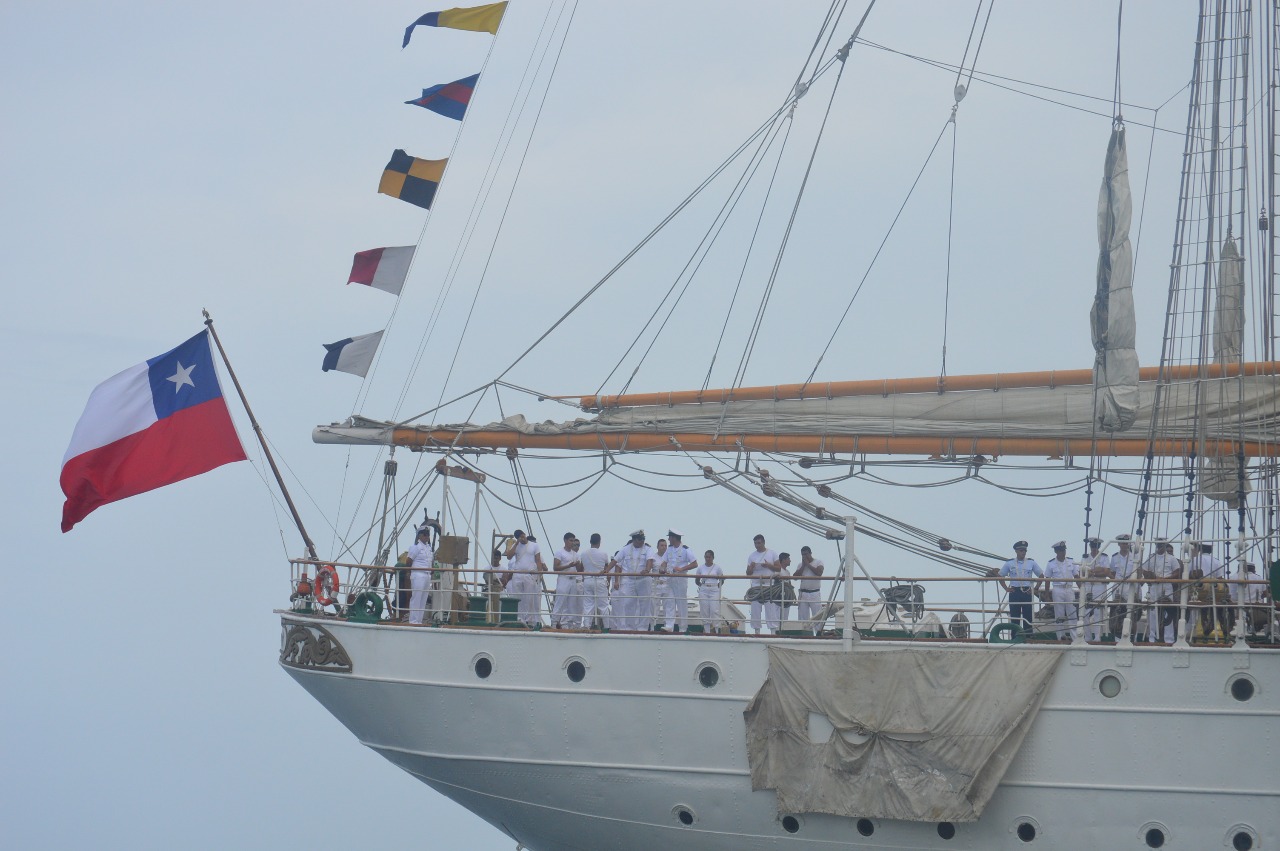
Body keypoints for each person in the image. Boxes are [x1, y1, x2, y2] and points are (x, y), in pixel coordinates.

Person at [1139, 539, 1182, 643]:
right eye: (1158, 545)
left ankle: (1169, 639)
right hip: (1154, 586)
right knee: (1153, 613)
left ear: (1165, 545)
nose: (1159, 547)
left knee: (1168, 613)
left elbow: (1178, 572)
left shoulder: (1171, 558)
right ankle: (1152, 638)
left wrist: (1166, 579)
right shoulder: (1151, 557)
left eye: (1162, 545)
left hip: (1167, 586)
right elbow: (1143, 569)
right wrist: (1148, 574)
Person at [998, 540, 1042, 638]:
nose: (1023, 552)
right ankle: (1015, 637)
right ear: (1016, 551)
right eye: (1021, 550)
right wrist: (1006, 588)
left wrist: (1035, 588)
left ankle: (1028, 636)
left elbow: (1041, 575)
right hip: (1015, 592)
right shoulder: (1009, 563)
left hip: (1027, 592)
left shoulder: (1031, 562)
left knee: (1028, 616)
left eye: (1025, 551)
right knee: (1015, 616)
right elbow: (1000, 576)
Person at [613, 530, 655, 630]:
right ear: (634, 540)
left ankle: (643, 628)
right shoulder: (625, 549)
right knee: (628, 603)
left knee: (645, 604)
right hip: (630, 580)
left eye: (643, 539)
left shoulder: (648, 549)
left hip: (643, 579)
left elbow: (650, 560)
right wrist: (605, 570)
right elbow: (615, 561)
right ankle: (629, 627)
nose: (642, 541)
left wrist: (647, 570)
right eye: (640, 539)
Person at [504, 529, 546, 628]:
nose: (522, 539)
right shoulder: (517, 546)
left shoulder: (534, 545)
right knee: (518, 598)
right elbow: (509, 556)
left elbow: (538, 560)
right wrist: (517, 543)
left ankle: (529, 621)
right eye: (520, 538)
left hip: (529, 574)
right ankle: (520, 619)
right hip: (517, 574)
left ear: (525, 535)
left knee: (529, 598)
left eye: (523, 536)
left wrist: (538, 575)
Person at [1044, 541, 1080, 641]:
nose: (1063, 552)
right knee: (1059, 614)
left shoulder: (1071, 561)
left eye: (1063, 550)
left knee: (1072, 613)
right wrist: (1047, 595)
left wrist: (1082, 589)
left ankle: (1075, 637)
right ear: (1056, 551)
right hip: (1057, 589)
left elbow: (1077, 577)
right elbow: (1047, 579)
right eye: (1060, 550)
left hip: (1069, 589)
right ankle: (1060, 637)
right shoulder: (1051, 563)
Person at [746, 534, 782, 634]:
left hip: (768, 585)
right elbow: (748, 573)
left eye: (759, 543)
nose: (757, 545)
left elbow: (778, 568)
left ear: (763, 542)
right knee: (755, 610)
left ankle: (773, 631)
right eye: (755, 543)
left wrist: (768, 566)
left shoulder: (772, 553)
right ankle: (757, 631)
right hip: (756, 585)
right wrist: (751, 567)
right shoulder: (752, 556)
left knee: (770, 609)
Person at [663, 530, 697, 633]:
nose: (668, 539)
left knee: (681, 603)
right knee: (670, 601)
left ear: (674, 538)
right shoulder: (669, 550)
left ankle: (683, 627)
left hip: (680, 579)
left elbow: (695, 563)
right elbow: (664, 562)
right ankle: (669, 626)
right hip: (670, 579)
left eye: (670, 537)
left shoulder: (686, 550)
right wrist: (662, 568)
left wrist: (681, 569)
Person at [1080, 538, 1113, 642]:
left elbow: (1106, 572)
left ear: (1099, 547)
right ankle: (1088, 636)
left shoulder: (1104, 557)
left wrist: (1092, 572)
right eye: (1093, 546)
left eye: (1096, 546)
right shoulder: (1085, 558)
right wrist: (1098, 570)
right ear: (1090, 546)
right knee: (1084, 612)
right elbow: (1082, 572)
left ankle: (1097, 636)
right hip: (1088, 586)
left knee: (1098, 612)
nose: (1094, 548)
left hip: (1099, 585)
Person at [1108, 534, 1138, 640]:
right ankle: (1117, 637)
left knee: (1131, 610)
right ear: (1119, 544)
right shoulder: (1114, 557)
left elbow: (1138, 572)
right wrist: (1116, 580)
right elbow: (1111, 572)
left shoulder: (1134, 557)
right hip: (1118, 585)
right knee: (1117, 610)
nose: (1124, 545)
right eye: (1122, 543)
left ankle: (1131, 637)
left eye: (1126, 543)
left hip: (1130, 585)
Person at [579, 533, 611, 629]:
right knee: (603, 605)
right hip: (600, 580)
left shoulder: (583, 554)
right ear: (599, 542)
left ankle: (586, 626)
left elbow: (581, 568)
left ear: (590, 541)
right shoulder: (604, 554)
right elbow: (606, 567)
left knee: (588, 605)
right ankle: (606, 627)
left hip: (588, 580)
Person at [552, 532, 584, 628]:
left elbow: (579, 570)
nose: (572, 543)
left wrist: (578, 564)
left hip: (573, 579)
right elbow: (555, 567)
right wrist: (568, 565)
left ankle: (569, 624)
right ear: (565, 540)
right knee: (560, 601)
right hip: (563, 578)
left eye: (573, 541)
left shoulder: (575, 554)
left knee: (572, 603)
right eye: (570, 540)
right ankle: (554, 622)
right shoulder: (559, 552)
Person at [407, 525, 435, 625]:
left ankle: (419, 620)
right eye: (424, 534)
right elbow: (408, 561)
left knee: (423, 598)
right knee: (416, 597)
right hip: (418, 574)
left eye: (428, 535)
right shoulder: (415, 547)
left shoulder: (428, 548)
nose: (426, 537)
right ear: (419, 536)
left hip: (427, 575)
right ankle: (413, 621)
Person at [794, 546, 825, 634]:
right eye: (803, 554)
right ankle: (805, 634)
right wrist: (803, 566)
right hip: (803, 593)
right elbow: (795, 577)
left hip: (814, 593)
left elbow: (819, 573)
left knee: (817, 616)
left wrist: (808, 564)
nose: (804, 556)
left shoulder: (818, 562)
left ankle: (819, 634)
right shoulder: (800, 565)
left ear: (810, 553)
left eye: (806, 554)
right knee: (803, 617)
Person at [695, 549, 724, 633]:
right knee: (704, 610)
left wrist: (717, 587)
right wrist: (702, 586)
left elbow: (722, 580)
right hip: (704, 589)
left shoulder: (717, 568)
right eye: (706, 557)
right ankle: (707, 630)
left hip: (714, 589)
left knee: (714, 610)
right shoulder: (700, 568)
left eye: (709, 557)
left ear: (713, 558)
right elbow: (697, 580)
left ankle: (716, 629)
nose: (707, 559)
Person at [650, 537, 671, 631]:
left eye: (665, 545)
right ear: (657, 547)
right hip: (656, 584)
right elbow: (649, 572)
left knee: (667, 606)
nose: (664, 547)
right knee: (655, 606)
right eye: (662, 545)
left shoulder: (669, 557)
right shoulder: (653, 558)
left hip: (667, 584)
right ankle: (652, 627)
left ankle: (667, 626)